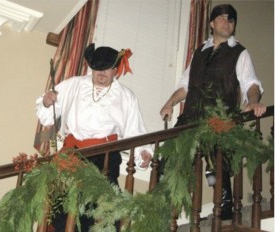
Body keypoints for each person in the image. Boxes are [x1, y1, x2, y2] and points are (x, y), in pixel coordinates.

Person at [160, 4, 266, 220]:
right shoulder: (199, 52)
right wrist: (170, 102)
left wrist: (253, 101)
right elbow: (185, 86)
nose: (227, 22)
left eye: (231, 19)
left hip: (218, 118)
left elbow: (251, 83)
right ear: (211, 23)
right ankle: (165, 209)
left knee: (216, 165)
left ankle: (224, 211)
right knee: (170, 160)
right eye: (222, 18)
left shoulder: (239, 52)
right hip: (190, 117)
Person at [36, 43, 153, 231]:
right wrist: (47, 101)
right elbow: (47, 113)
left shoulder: (125, 96)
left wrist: (143, 153)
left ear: (115, 70)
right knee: (63, 207)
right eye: (97, 68)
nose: (101, 73)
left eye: (106, 68)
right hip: (73, 154)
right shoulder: (74, 84)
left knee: (102, 208)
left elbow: (135, 129)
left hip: (106, 156)